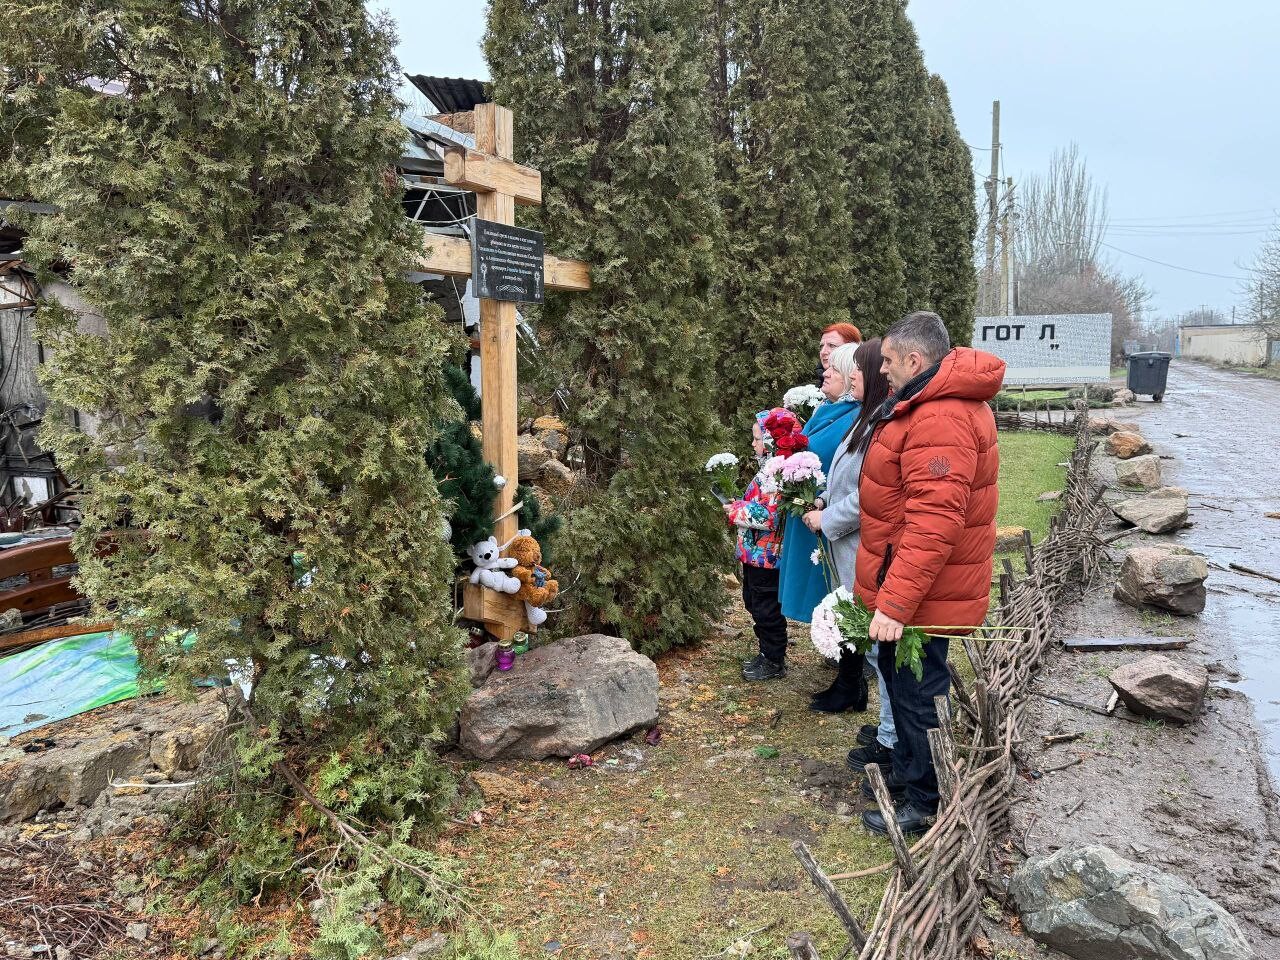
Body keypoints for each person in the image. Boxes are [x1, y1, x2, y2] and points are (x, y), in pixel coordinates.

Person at [855, 311, 1005, 837]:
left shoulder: (940, 417)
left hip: (924, 593)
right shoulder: (927, 405)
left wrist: (896, 604)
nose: (883, 371)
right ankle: (908, 775)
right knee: (904, 685)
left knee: (918, 692)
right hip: (916, 585)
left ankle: (926, 801)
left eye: (889, 361)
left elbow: (934, 521)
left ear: (915, 360)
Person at [801, 340, 893, 714]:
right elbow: (843, 475)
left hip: (860, 541)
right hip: (848, 543)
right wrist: (823, 498)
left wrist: (828, 518)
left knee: (864, 625)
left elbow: (868, 493)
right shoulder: (863, 418)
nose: (851, 374)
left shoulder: (879, 425)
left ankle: (866, 703)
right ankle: (851, 687)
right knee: (851, 615)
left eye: (857, 367)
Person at [778, 344, 861, 624]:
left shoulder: (854, 417)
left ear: (850, 376)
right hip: (813, 509)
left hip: (833, 520)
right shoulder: (826, 410)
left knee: (833, 600)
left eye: (834, 369)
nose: (825, 373)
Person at [726, 411, 787, 681]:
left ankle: (774, 659)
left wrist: (736, 510)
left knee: (766, 607)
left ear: (772, 440)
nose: (753, 444)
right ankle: (766, 652)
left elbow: (771, 516)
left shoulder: (778, 473)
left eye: (757, 438)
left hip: (767, 556)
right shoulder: (767, 470)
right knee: (753, 601)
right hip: (755, 554)